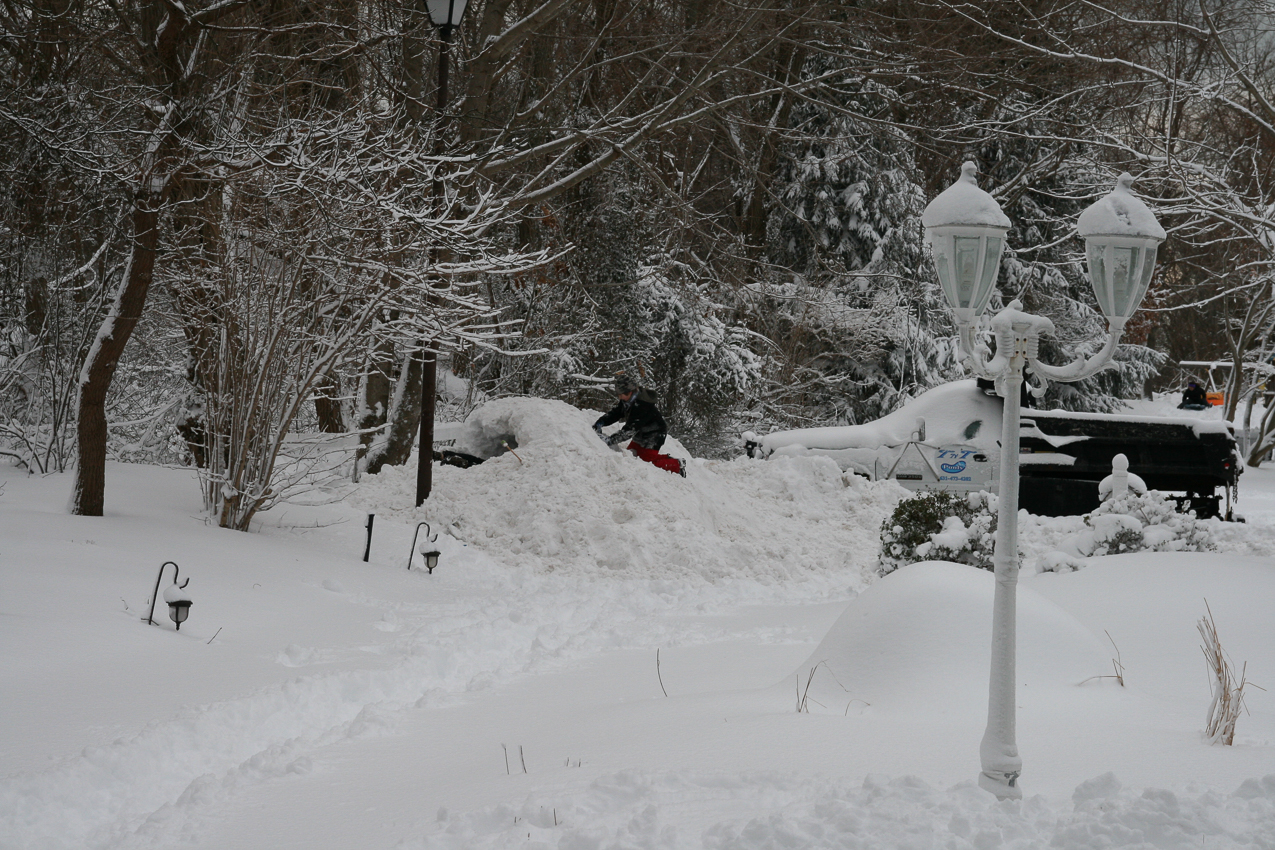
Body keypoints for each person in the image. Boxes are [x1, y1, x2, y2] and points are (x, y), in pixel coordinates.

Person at [593, 374, 687, 477]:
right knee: (632, 456)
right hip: (641, 431)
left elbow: (629, 430)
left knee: (647, 463)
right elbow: (616, 413)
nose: (619, 397)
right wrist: (600, 422)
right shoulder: (628, 400)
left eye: (621, 394)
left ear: (629, 392)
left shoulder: (642, 405)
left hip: (655, 434)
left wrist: (610, 440)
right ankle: (664, 459)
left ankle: (677, 465)